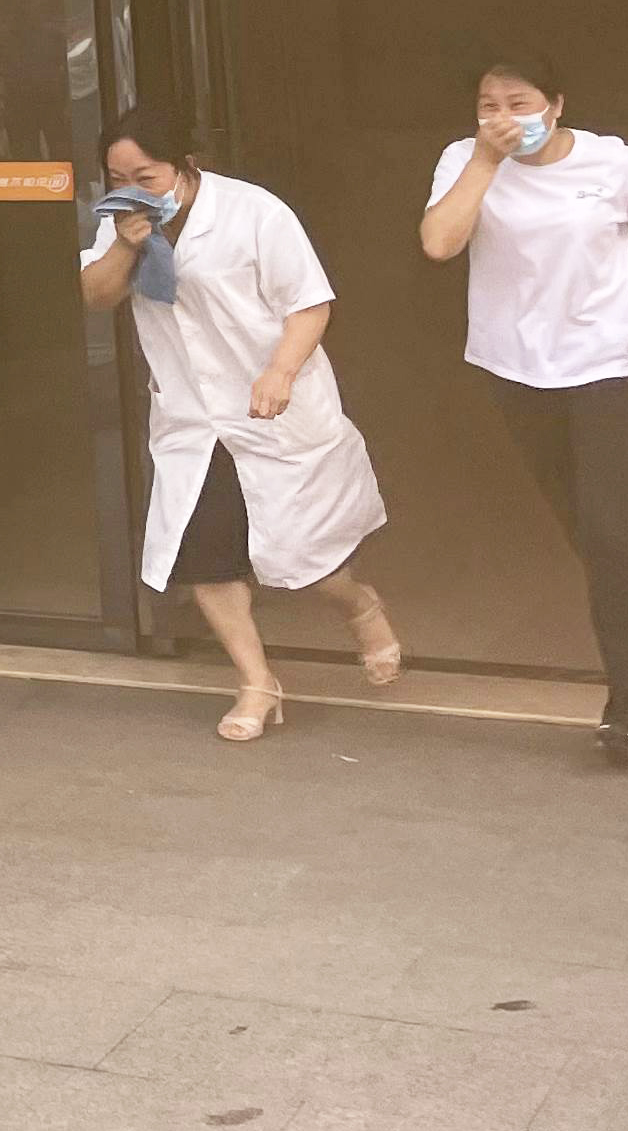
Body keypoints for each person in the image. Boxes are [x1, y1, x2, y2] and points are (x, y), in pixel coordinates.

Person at [77, 102, 398, 744]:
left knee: (308, 560)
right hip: (194, 419)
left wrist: (280, 371)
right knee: (206, 560)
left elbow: (309, 304)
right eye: (119, 179)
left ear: (184, 165)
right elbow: (97, 293)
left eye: (146, 176)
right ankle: (257, 681)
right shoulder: (120, 221)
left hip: (268, 407)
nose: (133, 189)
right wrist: (126, 244)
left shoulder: (255, 212)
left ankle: (361, 606)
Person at [419, 54, 628, 767]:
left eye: (519, 102)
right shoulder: (462, 159)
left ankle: (627, 698)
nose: (503, 117)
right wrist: (486, 161)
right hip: (514, 366)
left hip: (606, 362)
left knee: (606, 529)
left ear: (557, 104)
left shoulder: (611, 162)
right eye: (488, 104)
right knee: (582, 526)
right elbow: (439, 244)